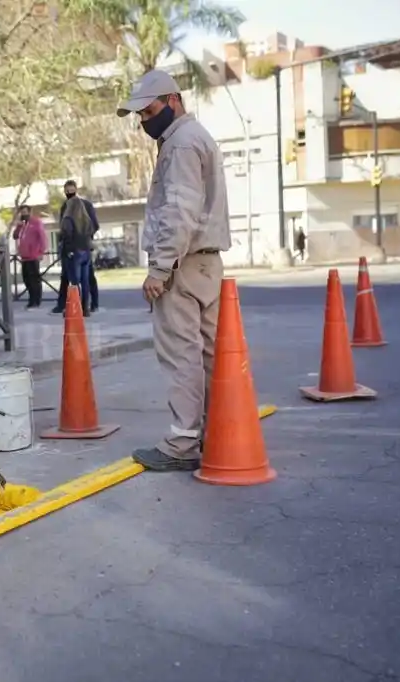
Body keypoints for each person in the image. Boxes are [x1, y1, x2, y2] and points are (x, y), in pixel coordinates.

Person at [118, 69, 230, 473]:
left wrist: (160, 268)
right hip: (205, 261)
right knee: (209, 354)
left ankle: (182, 443)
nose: (144, 121)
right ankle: (216, 434)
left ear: (173, 100)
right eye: (140, 115)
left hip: (182, 263)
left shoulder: (181, 144)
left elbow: (179, 211)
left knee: (182, 355)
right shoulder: (196, 137)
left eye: (149, 111)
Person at [52, 180, 100, 314]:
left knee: (77, 280)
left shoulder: (82, 206)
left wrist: (79, 238)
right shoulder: (67, 207)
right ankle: (82, 306)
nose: (69, 193)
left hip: (75, 248)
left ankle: (83, 305)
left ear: (76, 190)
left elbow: (66, 230)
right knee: (78, 278)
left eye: (71, 191)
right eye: (67, 191)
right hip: (84, 247)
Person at [59, 195, 94, 317]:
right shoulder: (87, 219)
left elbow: (66, 236)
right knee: (85, 281)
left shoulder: (68, 219)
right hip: (86, 251)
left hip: (74, 252)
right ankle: (85, 308)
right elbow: (91, 233)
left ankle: (75, 307)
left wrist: (68, 251)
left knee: (74, 282)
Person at [11, 204, 47, 308]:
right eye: (21, 213)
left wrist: (41, 252)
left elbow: (42, 237)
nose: (23, 214)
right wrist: (18, 226)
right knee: (26, 279)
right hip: (24, 256)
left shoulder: (36, 223)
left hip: (34, 255)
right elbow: (15, 236)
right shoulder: (22, 224)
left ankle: (36, 300)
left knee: (34, 279)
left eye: (25, 212)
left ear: (29, 212)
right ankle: (31, 299)